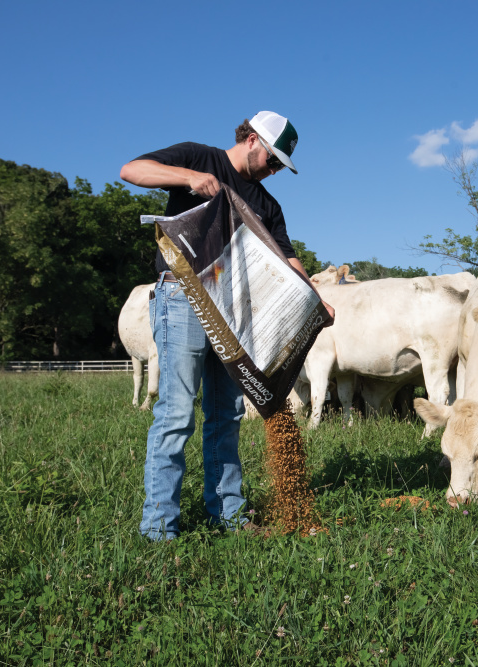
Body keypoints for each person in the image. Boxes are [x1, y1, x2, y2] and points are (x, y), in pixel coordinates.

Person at [120, 111, 333, 540]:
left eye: (280, 167)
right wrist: (188, 178)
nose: (274, 171)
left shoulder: (268, 205)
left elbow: (287, 257)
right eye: (272, 160)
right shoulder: (201, 158)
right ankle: (159, 527)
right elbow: (131, 170)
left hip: (235, 313)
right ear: (251, 139)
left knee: (227, 413)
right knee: (177, 413)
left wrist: (315, 298)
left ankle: (229, 516)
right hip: (183, 296)